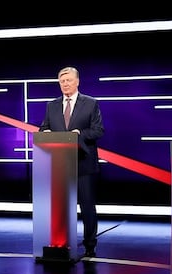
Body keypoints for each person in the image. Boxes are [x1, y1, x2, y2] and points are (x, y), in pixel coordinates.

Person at [38, 66, 105, 257]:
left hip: (84, 163)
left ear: (77, 82)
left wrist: (79, 134)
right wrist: (46, 133)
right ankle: (61, 244)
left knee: (87, 206)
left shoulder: (91, 103)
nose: (65, 84)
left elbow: (98, 130)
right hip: (59, 164)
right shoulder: (51, 105)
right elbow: (45, 127)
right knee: (60, 208)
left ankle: (90, 245)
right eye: (62, 81)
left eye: (68, 80)